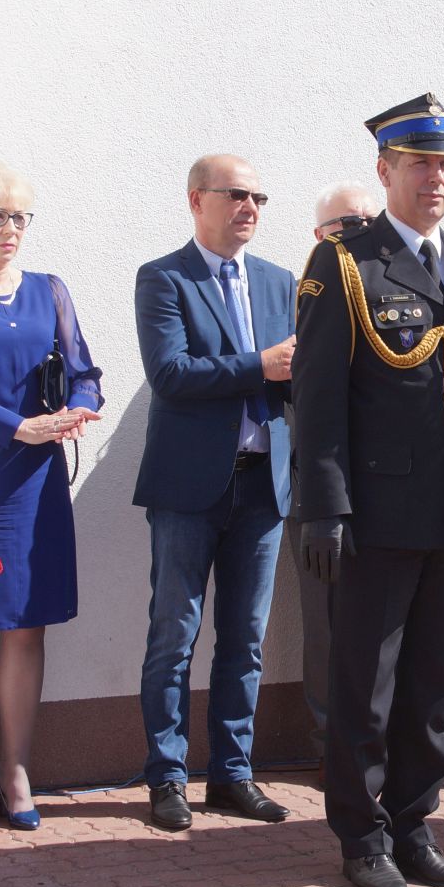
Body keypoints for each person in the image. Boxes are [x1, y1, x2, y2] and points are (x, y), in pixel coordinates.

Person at [291, 93, 444, 887]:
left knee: (432, 687)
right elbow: (319, 400)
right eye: (421, 163)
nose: (436, 178)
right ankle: (362, 838)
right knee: (367, 687)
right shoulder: (345, 264)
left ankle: (414, 824)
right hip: (377, 516)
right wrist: (324, 507)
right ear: (385, 170)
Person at [133, 154, 297, 830]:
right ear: (197, 199)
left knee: (245, 638)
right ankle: (167, 777)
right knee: (174, 635)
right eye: (236, 194)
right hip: (188, 486)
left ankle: (232, 774)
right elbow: (171, 373)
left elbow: (298, 375)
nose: (250, 207)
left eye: (259, 196)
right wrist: (260, 366)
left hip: (263, 484)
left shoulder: (280, 282)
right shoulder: (163, 277)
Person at [0, 159, 102, 834]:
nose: (10, 228)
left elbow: (86, 370)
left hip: (38, 477)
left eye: (19, 217)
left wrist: (78, 409)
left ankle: (15, 768)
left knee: (26, 626)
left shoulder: (50, 290)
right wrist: (18, 426)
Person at [297, 180, 381, 754]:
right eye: (347, 224)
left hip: (387, 485)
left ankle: (380, 741)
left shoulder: (396, 286)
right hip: (321, 486)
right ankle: (333, 742)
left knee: (384, 622)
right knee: (327, 622)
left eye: (368, 222)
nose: (359, 233)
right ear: (320, 235)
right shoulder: (310, 288)